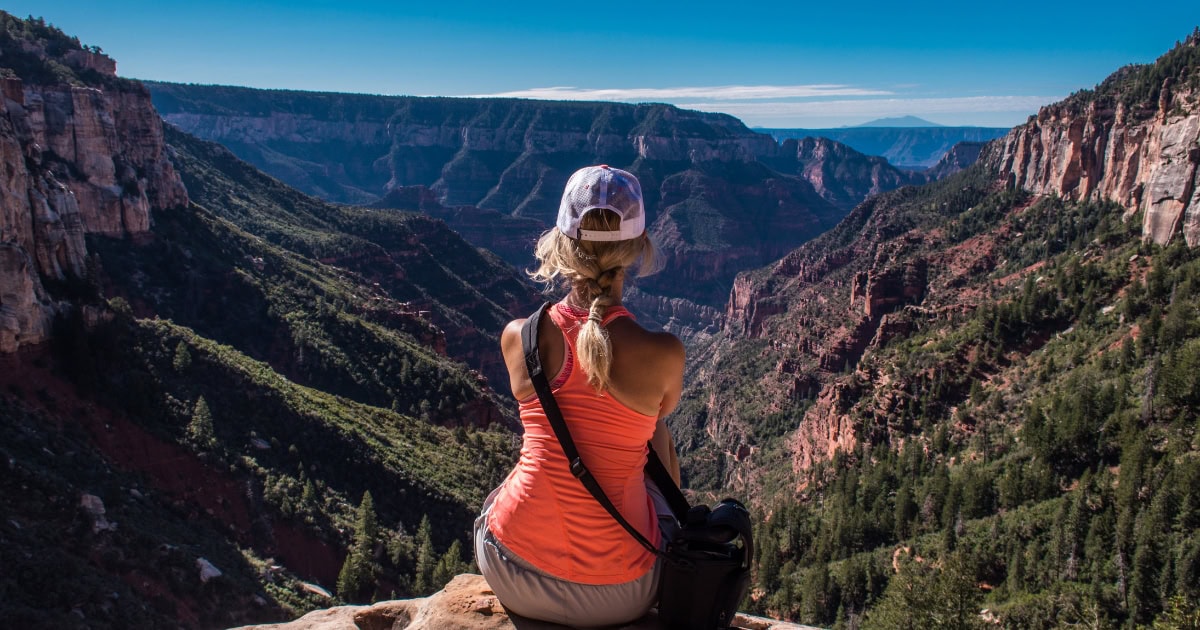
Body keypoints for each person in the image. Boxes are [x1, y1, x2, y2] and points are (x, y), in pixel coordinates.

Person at [474, 165, 685, 627]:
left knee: (541, 440)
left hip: (510, 568)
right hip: (619, 593)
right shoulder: (664, 354)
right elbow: (652, 427)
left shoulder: (518, 338)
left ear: (561, 241)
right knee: (655, 429)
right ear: (637, 248)